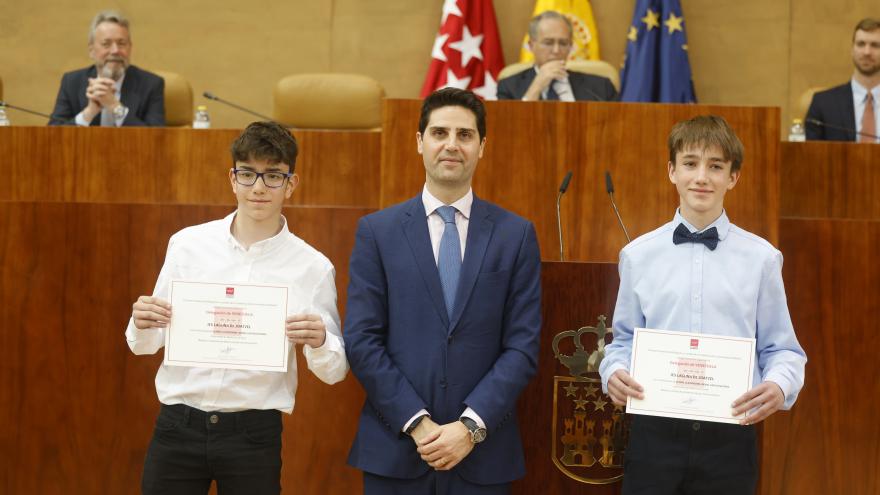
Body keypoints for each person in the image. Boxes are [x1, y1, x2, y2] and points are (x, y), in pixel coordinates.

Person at [126, 121, 348, 494]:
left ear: (291, 183)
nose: (259, 187)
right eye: (248, 174)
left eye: (273, 175)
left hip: (253, 434)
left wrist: (321, 339)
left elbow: (334, 371)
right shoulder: (187, 245)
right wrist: (142, 322)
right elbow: (144, 344)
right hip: (178, 426)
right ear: (233, 179)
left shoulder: (312, 267)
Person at [343, 88, 542, 495]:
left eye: (465, 135)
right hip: (396, 450)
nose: (452, 145)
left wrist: (470, 428)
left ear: (482, 146)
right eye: (439, 133)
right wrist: (418, 423)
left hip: (483, 456)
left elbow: (522, 347)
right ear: (420, 142)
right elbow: (362, 340)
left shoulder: (515, 235)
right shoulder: (377, 233)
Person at [598, 115, 807, 495]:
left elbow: (784, 350)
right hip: (654, 436)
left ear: (733, 177)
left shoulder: (762, 259)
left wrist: (778, 386)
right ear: (671, 171)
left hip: (729, 440)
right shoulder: (637, 255)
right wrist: (613, 372)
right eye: (690, 163)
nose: (702, 177)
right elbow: (623, 342)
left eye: (716, 166)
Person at [49, 11, 165, 126]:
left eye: (121, 43)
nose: (115, 50)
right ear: (91, 50)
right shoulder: (72, 82)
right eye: (106, 44)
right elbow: (52, 136)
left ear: (130, 48)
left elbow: (156, 139)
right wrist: (88, 113)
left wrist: (115, 107)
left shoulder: (151, 84)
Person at [497, 10, 617, 102]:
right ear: (531, 45)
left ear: (570, 46)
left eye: (563, 43)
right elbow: (507, 129)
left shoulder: (601, 87)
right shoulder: (509, 87)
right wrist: (536, 87)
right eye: (548, 43)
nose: (556, 50)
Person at [806, 18, 880, 142]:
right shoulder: (823, 104)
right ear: (852, 50)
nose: (867, 52)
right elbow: (810, 157)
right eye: (861, 44)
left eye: (875, 45)